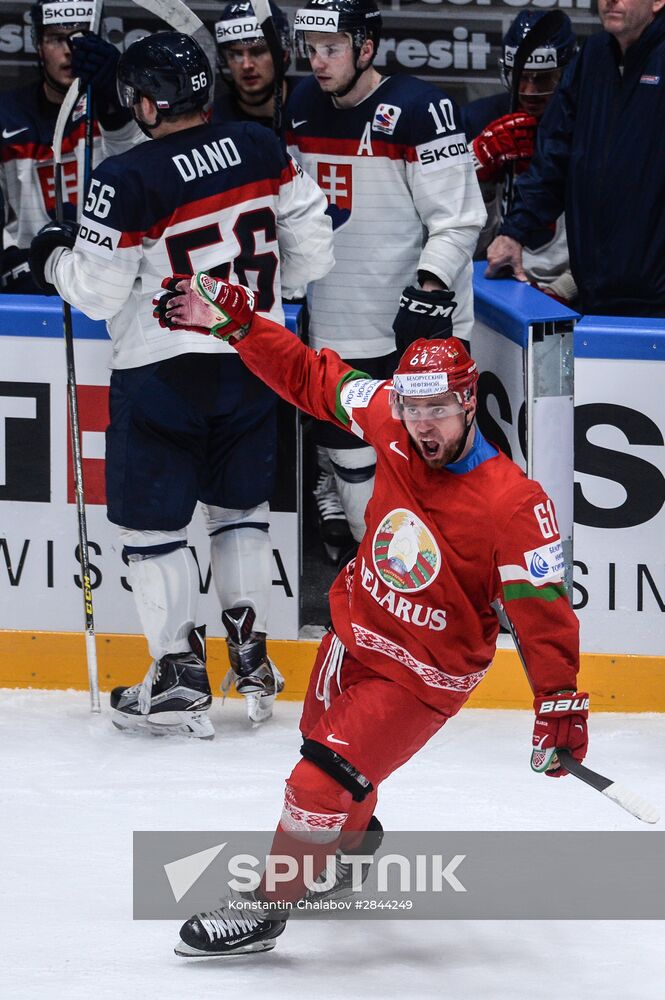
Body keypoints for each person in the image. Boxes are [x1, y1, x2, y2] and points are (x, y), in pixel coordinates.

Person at [154, 272, 588, 957]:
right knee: (328, 770)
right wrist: (238, 327)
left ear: (468, 402)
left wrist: (558, 700)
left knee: (315, 780)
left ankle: (266, 909)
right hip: (352, 636)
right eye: (413, 407)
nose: (421, 424)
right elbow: (307, 374)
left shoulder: (513, 503)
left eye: (439, 409)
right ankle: (350, 846)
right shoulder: (387, 413)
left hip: (422, 676)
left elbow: (542, 614)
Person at [29, 32, 334, 737]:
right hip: (257, 358)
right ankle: (251, 655)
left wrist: (54, 255)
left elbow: (99, 295)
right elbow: (313, 251)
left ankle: (176, 673)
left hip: (163, 370)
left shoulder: (124, 178)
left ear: (143, 102)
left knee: (153, 526)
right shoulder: (261, 147)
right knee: (239, 512)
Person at [285, 0, 486, 563]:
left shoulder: (423, 107)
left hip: (416, 331)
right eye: (312, 50)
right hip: (336, 325)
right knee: (353, 472)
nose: (318, 62)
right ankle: (383, 586)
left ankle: (448, 600)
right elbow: (297, 212)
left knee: (435, 471)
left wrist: (428, 288)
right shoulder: (301, 105)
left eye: (332, 49)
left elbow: (460, 218)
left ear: (366, 48)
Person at [486, 0, 665, 317]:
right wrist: (515, 232)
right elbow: (554, 157)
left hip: (657, 302)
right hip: (595, 296)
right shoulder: (593, 58)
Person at [0, 0, 138, 294]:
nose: (70, 50)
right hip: (26, 280)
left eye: (80, 37)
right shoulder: (4, 115)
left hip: (110, 278)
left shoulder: (121, 107)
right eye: (56, 38)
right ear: (38, 45)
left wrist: (114, 100)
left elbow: (138, 164)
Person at [462, 10, 578, 304]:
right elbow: (454, 241)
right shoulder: (479, 120)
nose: (529, 91)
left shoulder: (593, 125)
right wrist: (477, 173)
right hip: (495, 282)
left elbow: (614, 232)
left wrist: (565, 289)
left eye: (542, 79)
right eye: (521, 77)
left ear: (566, 74)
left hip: (574, 289)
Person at [212, 0, 295, 130]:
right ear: (224, 59)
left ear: (283, 53)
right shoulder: (212, 121)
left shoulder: (311, 101)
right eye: (236, 54)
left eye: (258, 52)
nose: (246, 65)